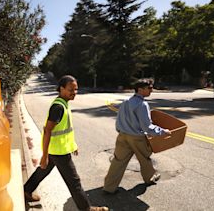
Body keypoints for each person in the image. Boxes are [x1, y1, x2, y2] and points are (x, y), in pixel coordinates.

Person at [24, 75, 108, 211]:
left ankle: (27, 190)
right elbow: (47, 131)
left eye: (76, 90)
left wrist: (72, 144)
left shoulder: (63, 103)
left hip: (57, 149)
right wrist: (44, 156)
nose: (74, 93)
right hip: (59, 152)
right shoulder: (58, 107)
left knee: (43, 170)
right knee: (74, 182)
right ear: (61, 89)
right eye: (71, 89)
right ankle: (86, 208)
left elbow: (64, 129)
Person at [103, 78, 171, 194]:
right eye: (149, 88)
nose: (151, 90)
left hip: (122, 136)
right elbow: (147, 127)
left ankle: (109, 187)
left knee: (118, 161)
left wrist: (121, 130)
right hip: (136, 138)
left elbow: (118, 120)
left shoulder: (126, 101)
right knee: (144, 159)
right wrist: (163, 131)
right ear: (140, 90)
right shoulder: (142, 104)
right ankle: (149, 178)